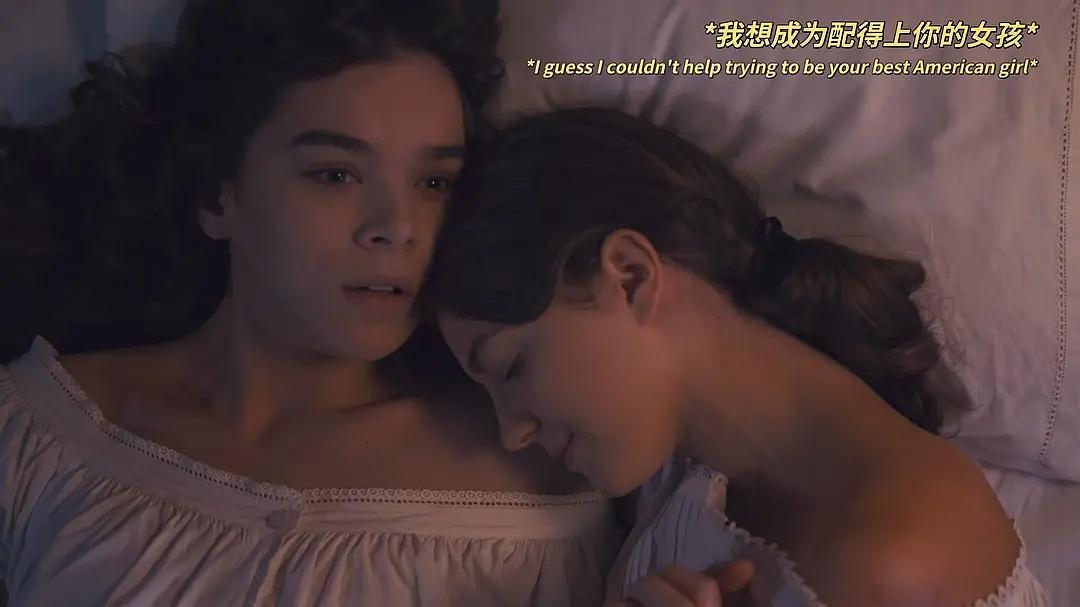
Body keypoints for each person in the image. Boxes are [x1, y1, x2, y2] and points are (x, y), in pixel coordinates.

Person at [0, 2, 630, 605]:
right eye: (336, 175)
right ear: (218, 197)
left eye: (435, 182)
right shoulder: (37, 435)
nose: (397, 227)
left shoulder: (542, 481)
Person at [428, 107, 1049, 606]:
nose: (511, 433)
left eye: (511, 368)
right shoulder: (685, 476)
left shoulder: (885, 558)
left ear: (630, 276)